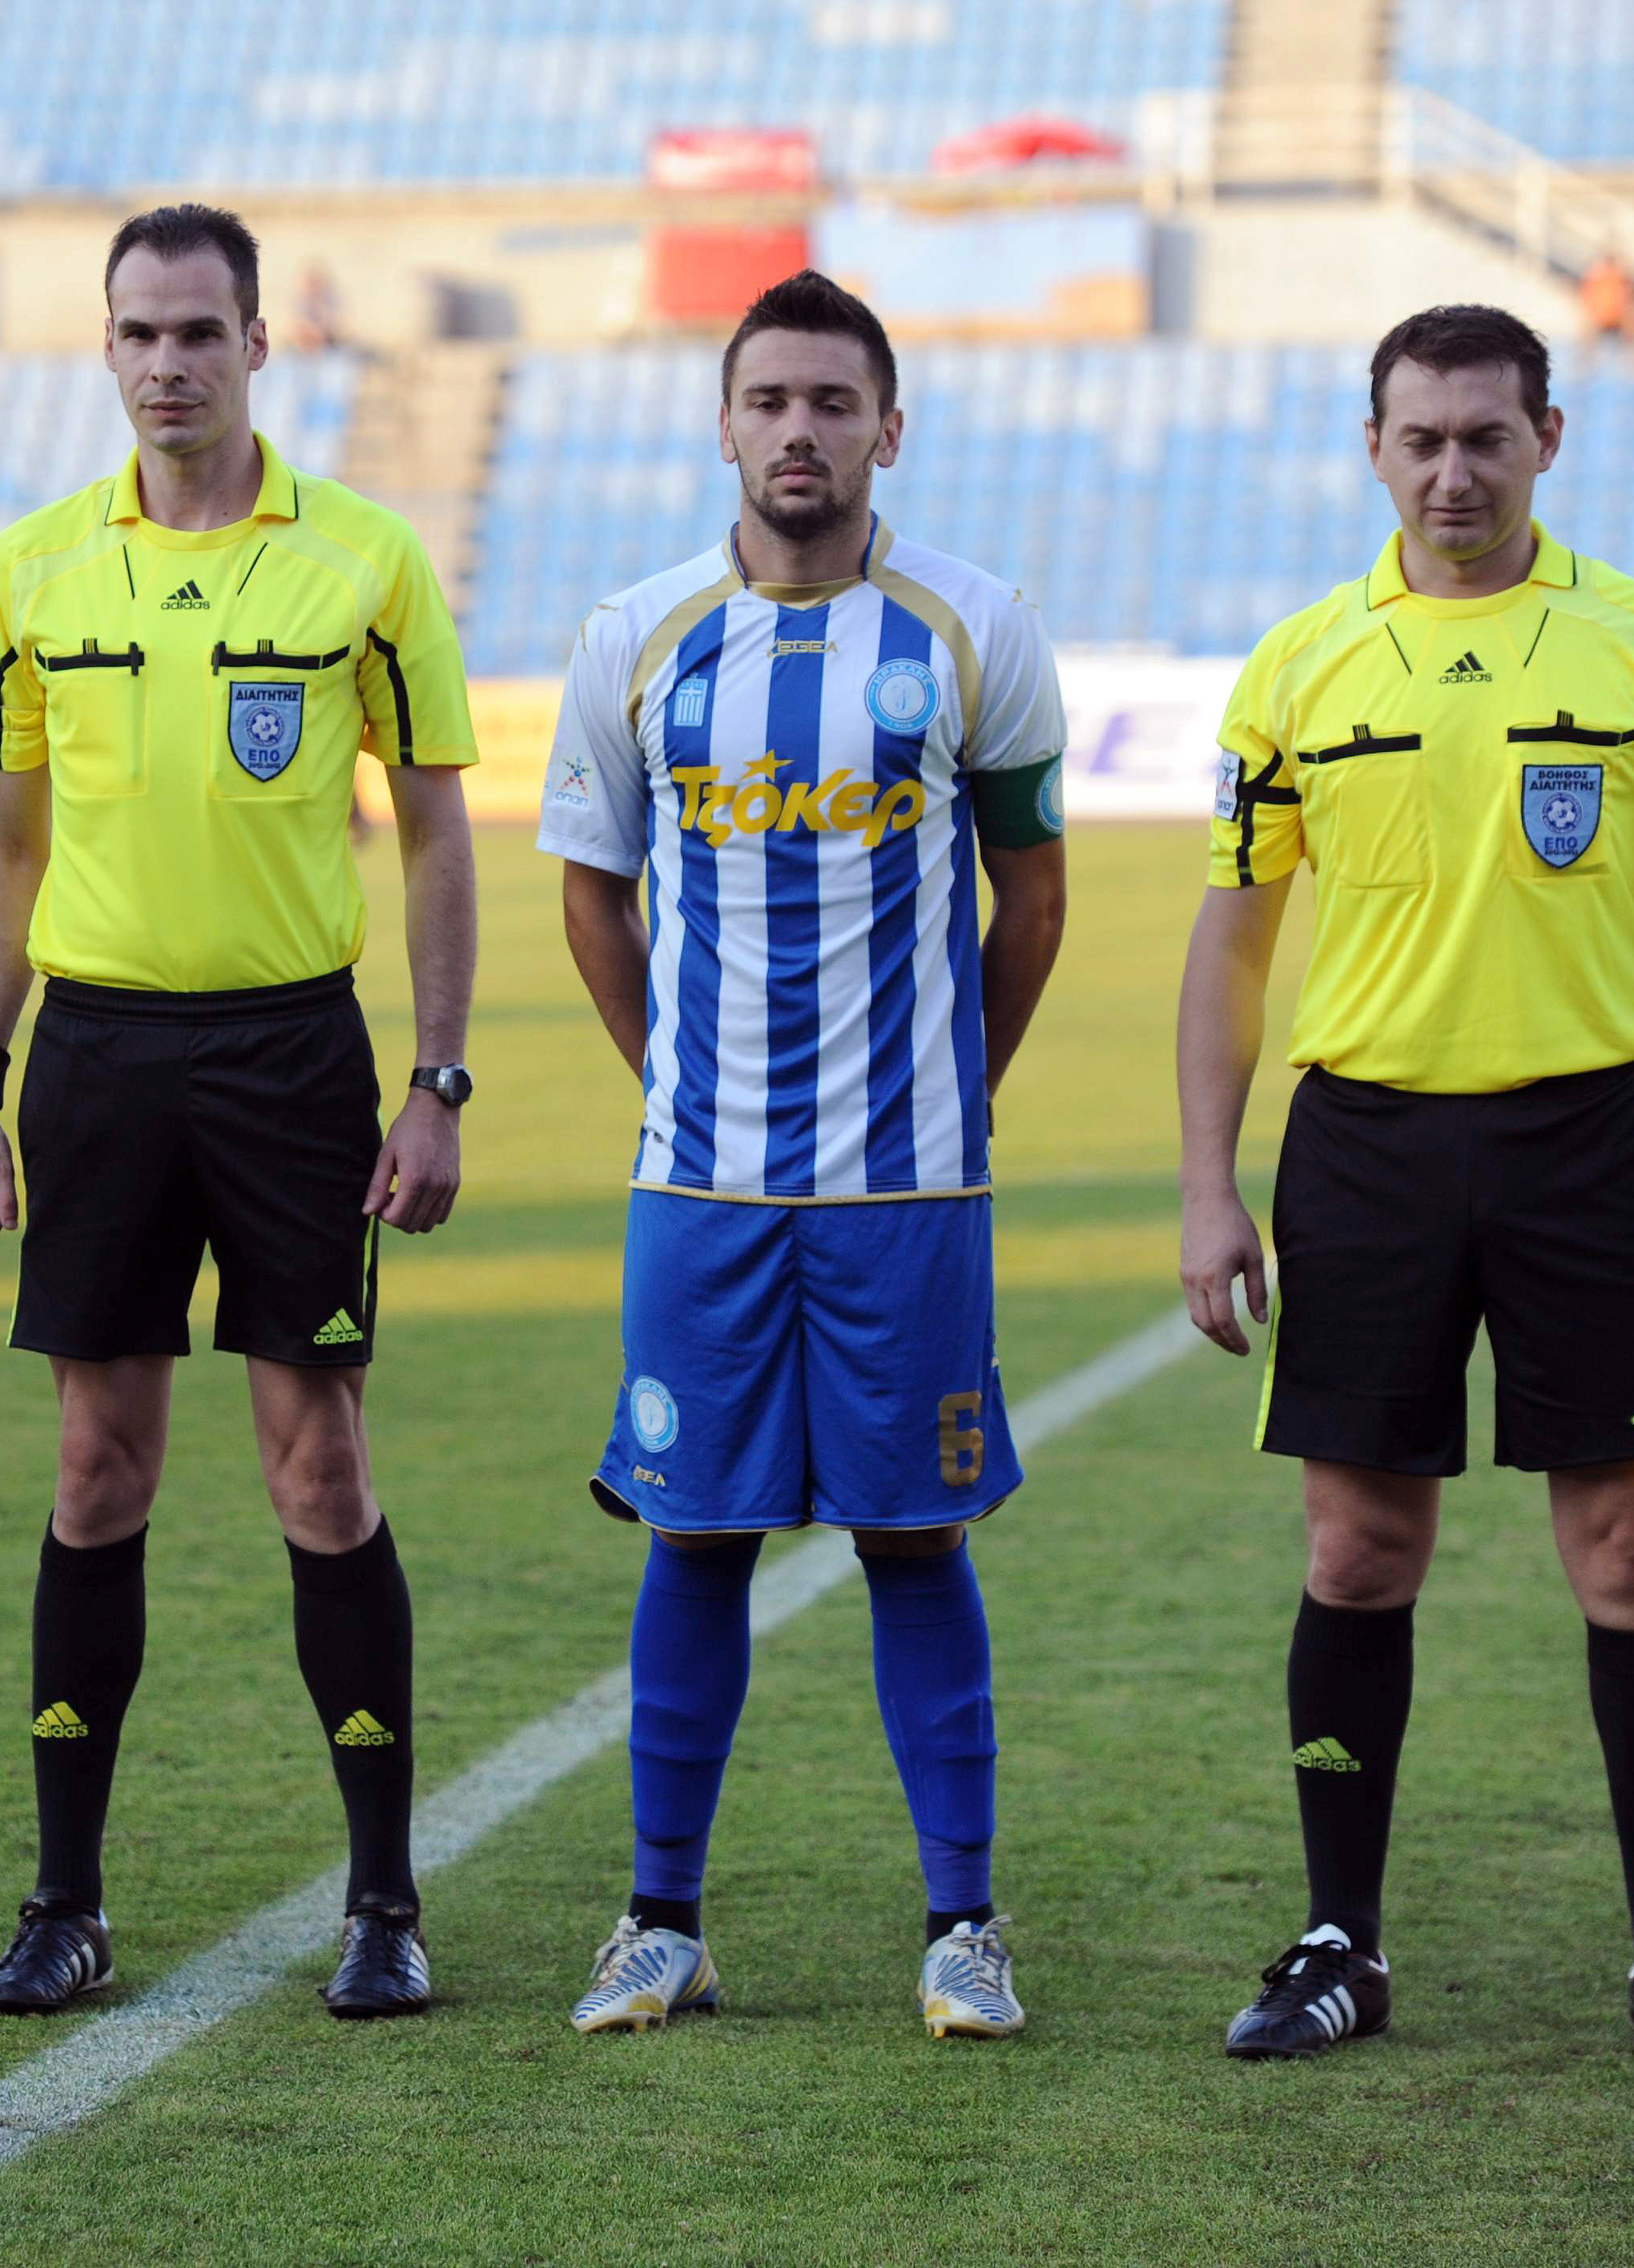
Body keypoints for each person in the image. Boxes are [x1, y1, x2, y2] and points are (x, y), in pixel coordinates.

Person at [1177, 304, 1634, 2070]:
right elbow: (1230, 948)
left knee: (1630, 1545)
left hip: (1590, 1140)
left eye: (1485, 438)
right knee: (1358, 1550)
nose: (1452, 472)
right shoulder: (1300, 667)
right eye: (1420, 439)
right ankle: (1336, 1943)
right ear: (1371, 448)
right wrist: (1206, 1189)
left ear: (1548, 437)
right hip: (1364, 1149)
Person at [0, 202, 479, 2020]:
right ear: (104, 349)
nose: (166, 362)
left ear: (263, 343)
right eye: (138, 332)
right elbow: (9, 837)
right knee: (99, 1468)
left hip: (290, 1063)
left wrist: (438, 1080)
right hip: (93, 1058)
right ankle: (63, 1899)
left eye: (199, 330)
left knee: (316, 1464)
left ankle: (387, 1898)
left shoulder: (367, 564)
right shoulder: (29, 570)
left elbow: (432, 829)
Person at [537, 271, 1069, 2040]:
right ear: (723, 422)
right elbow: (591, 898)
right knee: (693, 1540)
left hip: (909, 1193)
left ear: (886, 430)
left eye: (833, 403)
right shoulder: (637, 634)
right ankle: (660, 1922)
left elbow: (1034, 892)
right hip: (696, 1187)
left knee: (917, 1539)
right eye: (768, 399)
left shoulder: (970, 630)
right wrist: (669, 1077)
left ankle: (964, 1927)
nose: (799, 432)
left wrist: (955, 1088)